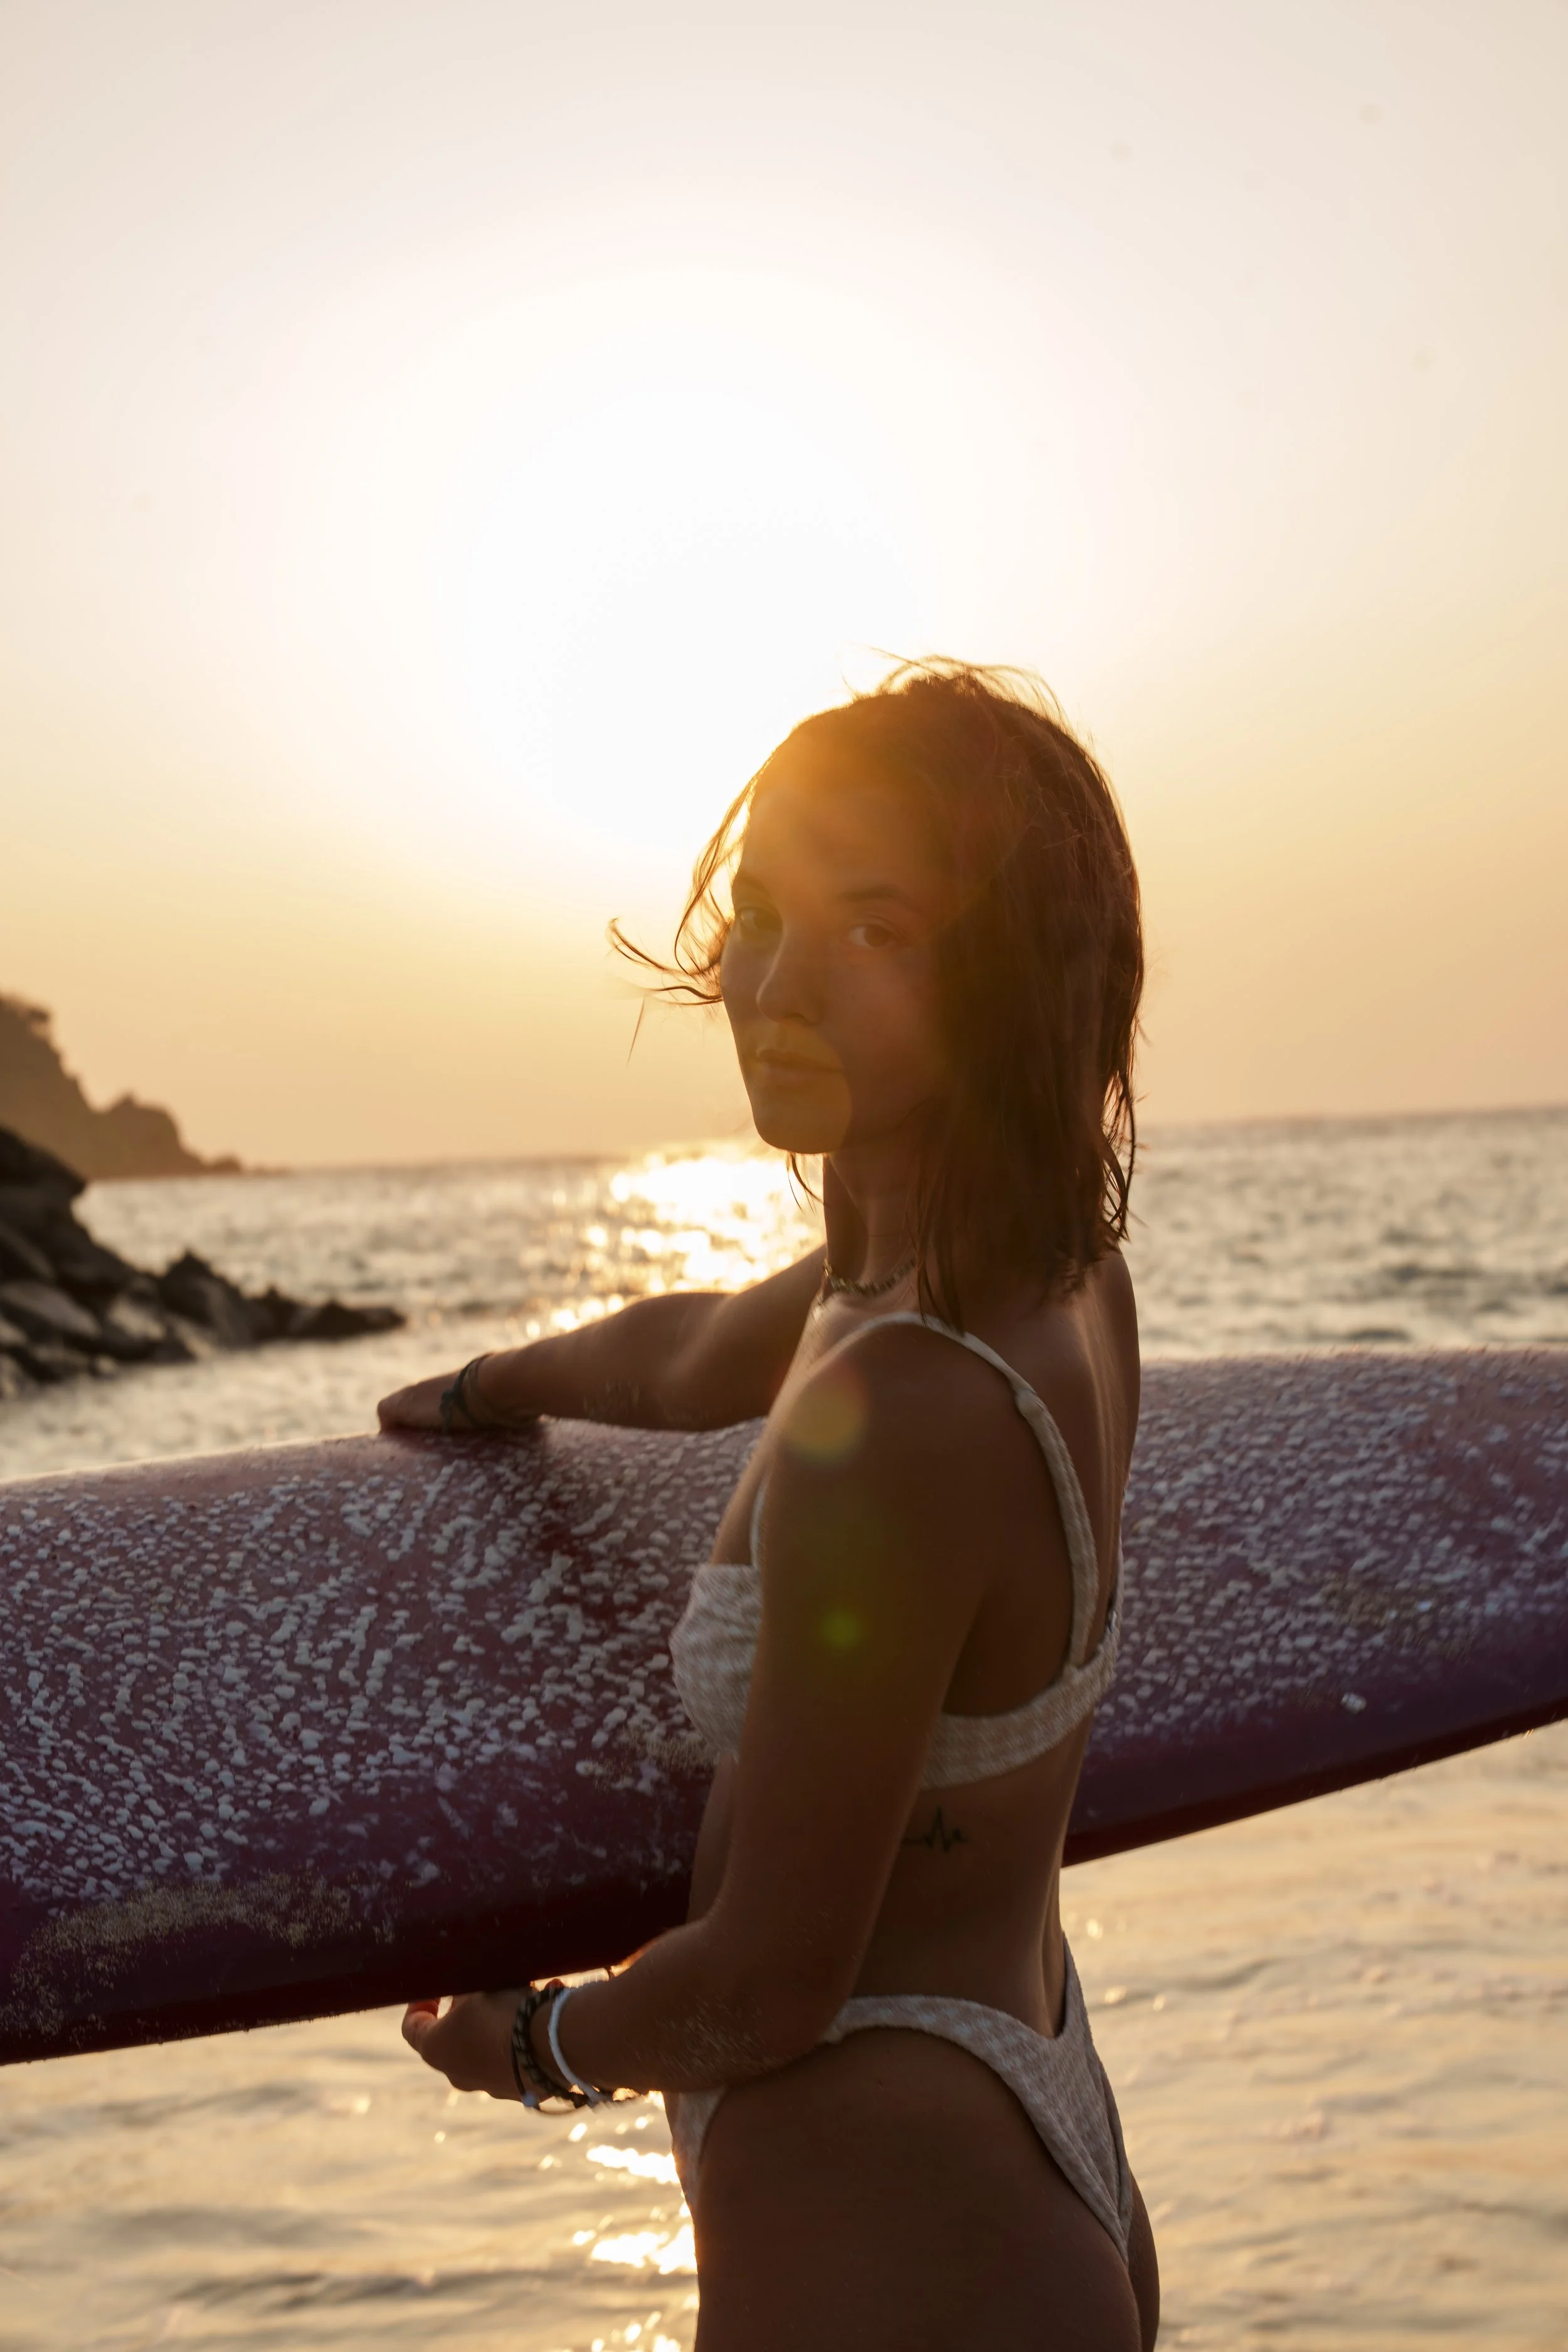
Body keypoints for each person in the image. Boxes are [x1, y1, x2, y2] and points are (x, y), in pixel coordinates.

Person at [378, 662, 1158, 2349]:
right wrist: (495, 1382)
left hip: (888, 2218)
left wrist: (526, 2043)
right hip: (1010, 2116)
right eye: (760, 912)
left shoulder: (909, 1410)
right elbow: (703, 1353)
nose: (777, 983)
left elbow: (766, 1980)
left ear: (1010, 975)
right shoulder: (1015, 1274)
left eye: (874, 928)